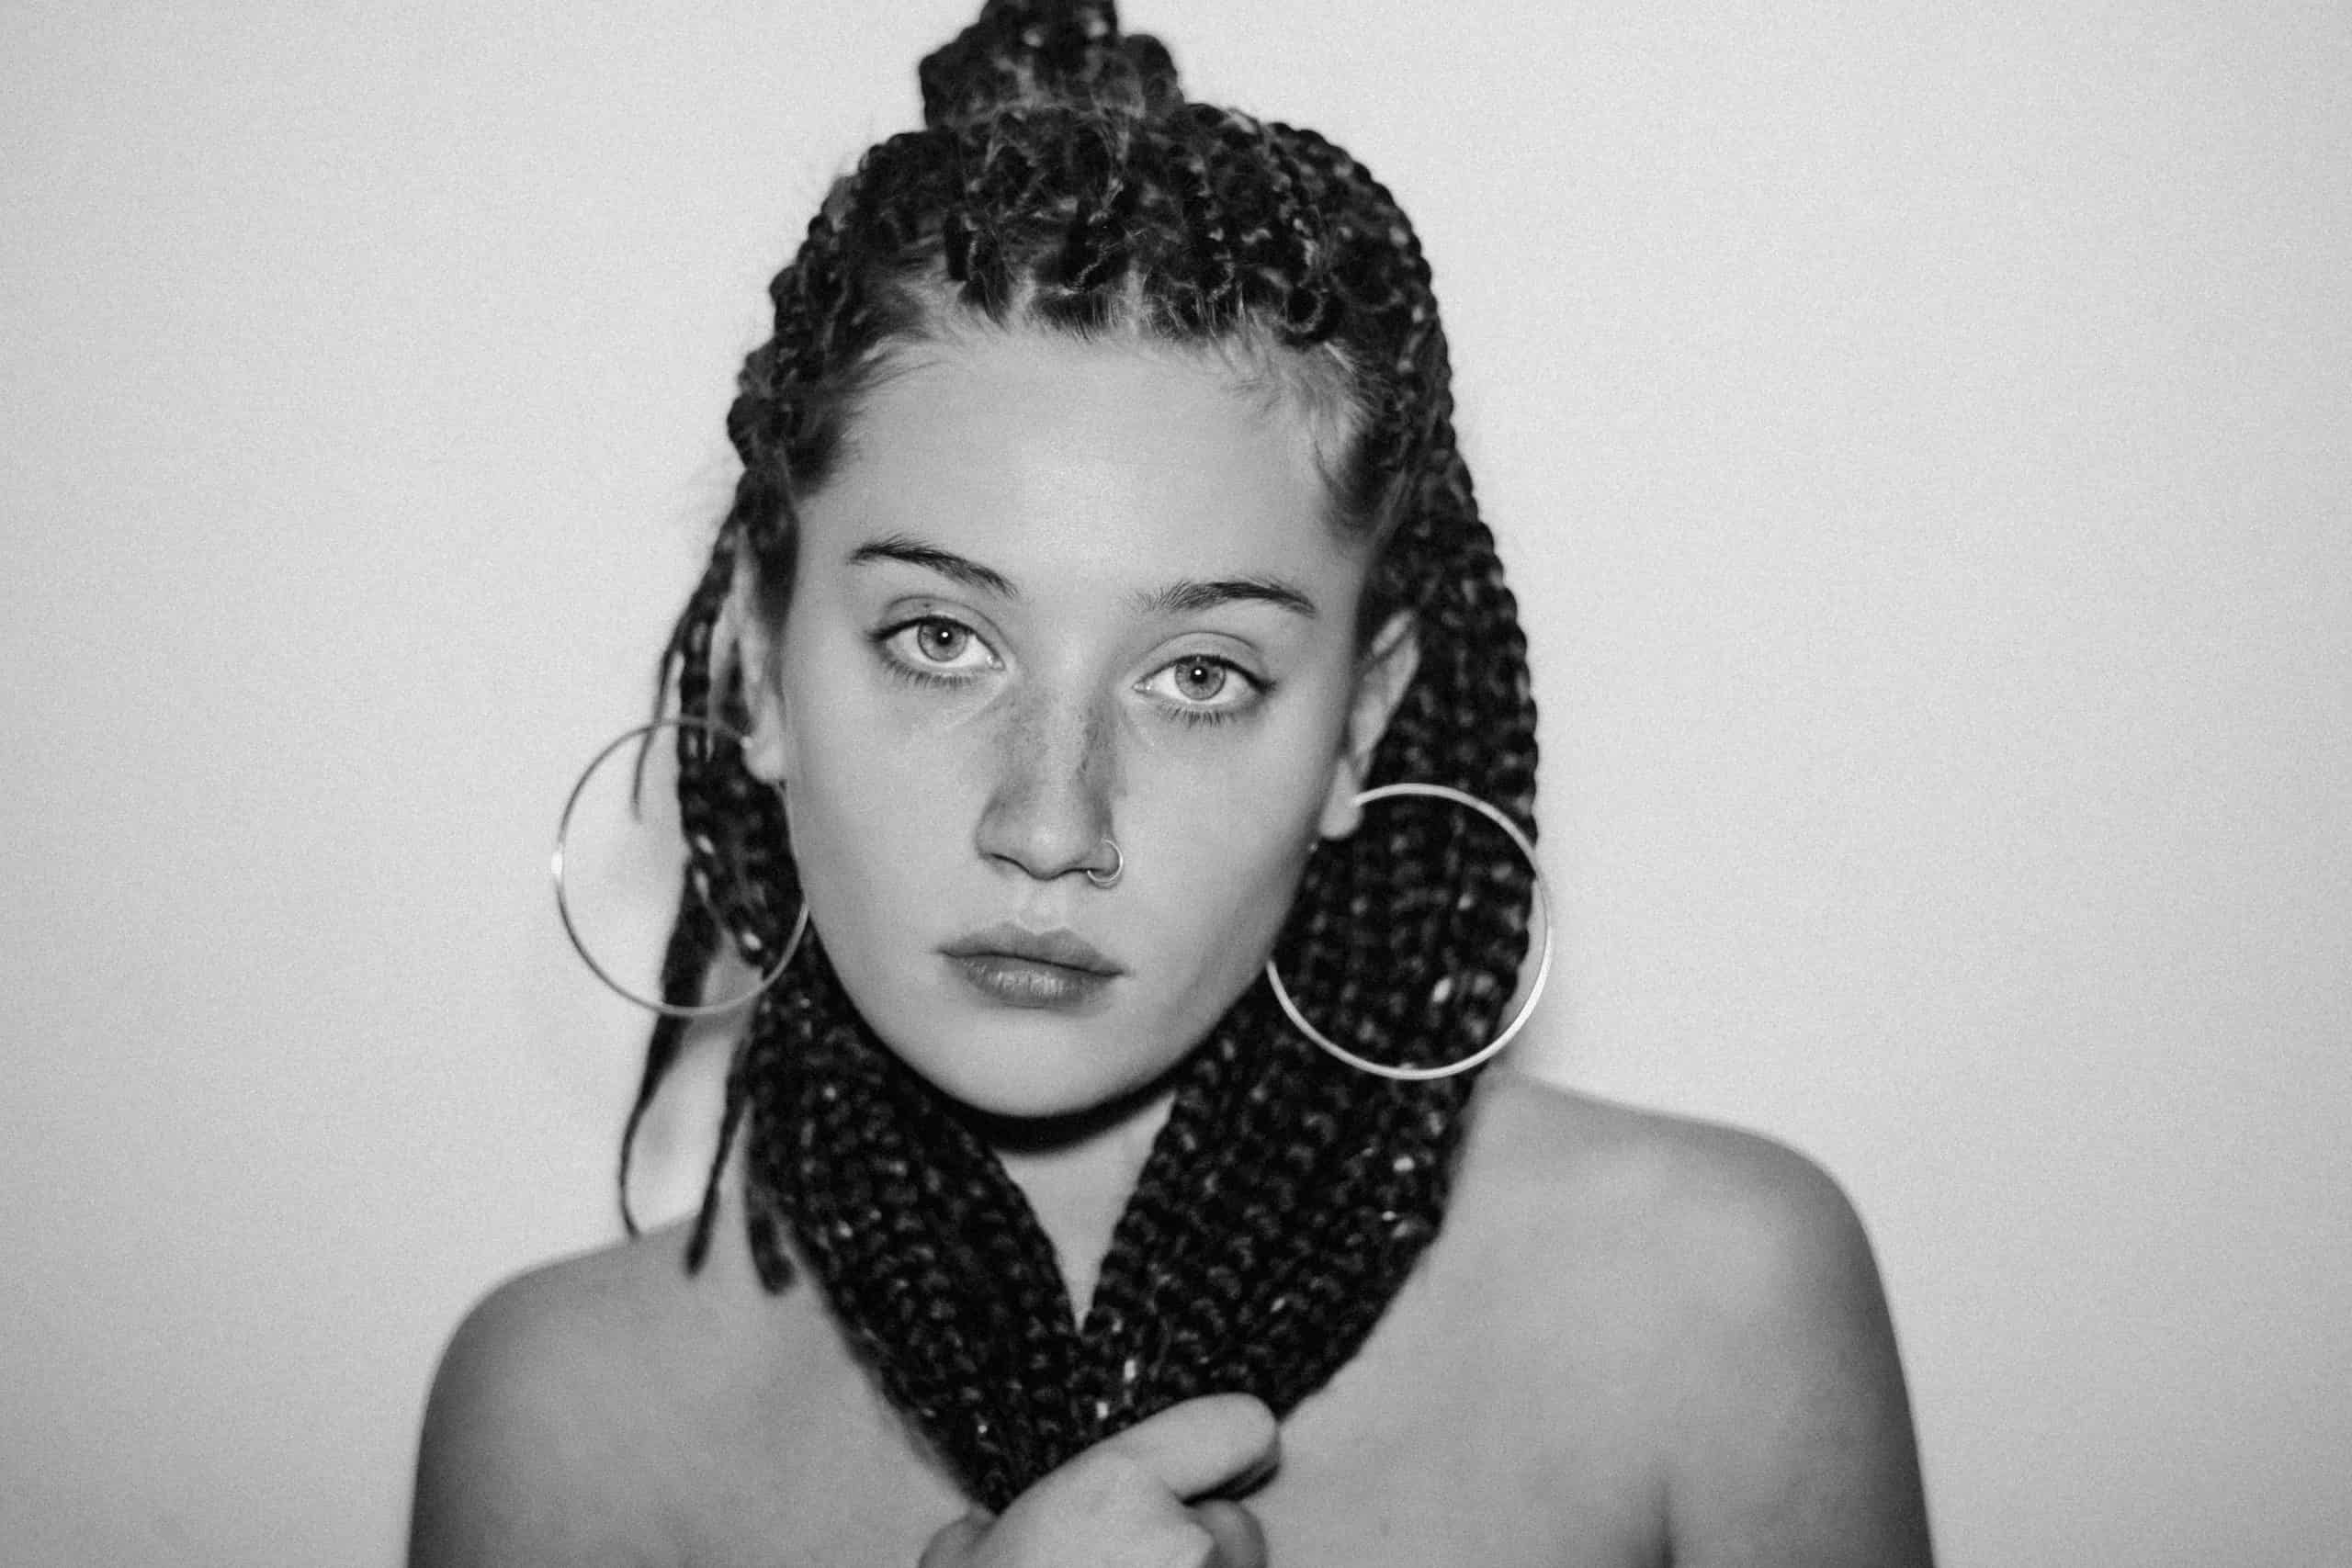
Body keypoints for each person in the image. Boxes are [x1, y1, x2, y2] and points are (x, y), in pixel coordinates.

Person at [408, 3, 1935, 1563]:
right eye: (941, 640)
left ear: (1360, 722)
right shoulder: (562, 1427)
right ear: (756, 664)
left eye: (1199, 676)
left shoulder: (1714, 1317)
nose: (1049, 827)